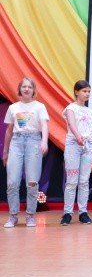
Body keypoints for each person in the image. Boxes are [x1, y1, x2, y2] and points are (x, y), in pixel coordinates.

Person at [3, 78, 49, 228]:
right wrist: (5, 152)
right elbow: (9, 131)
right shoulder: (13, 107)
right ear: (20, 89)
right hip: (16, 142)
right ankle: (13, 216)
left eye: (29, 87)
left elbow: (44, 125)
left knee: (32, 182)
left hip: (33, 141)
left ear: (33, 90)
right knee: (12, 182)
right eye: (24, 86)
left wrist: (44, 141)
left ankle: (30, 215)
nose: (27, 89)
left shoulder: (40, 106)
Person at [61, 80, 92, 226]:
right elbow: (72, 124)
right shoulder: (70, 108)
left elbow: (90, 130)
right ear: (77, 92)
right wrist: (78, 137)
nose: (87, 94)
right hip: (73, 145)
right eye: (84, 91)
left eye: (89, 91)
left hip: (87, 146)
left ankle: (83, 212)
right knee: (72, 180)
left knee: (84, 181)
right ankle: (67, 213)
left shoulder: (89, 111)